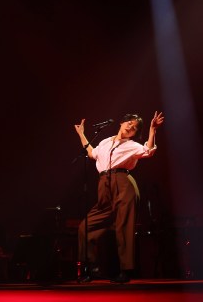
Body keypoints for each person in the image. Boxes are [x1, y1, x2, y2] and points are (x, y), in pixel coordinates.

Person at [74, 111, 164, 284]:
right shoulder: (105, 141)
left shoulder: (132, 145)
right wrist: (81, 134)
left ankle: (126, 270)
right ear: (122, 123)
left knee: (124, 226)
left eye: (135, 127)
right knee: (85, 227)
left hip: (123, 182)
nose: (131, 126)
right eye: (129, 122)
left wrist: (153, 130)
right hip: (104, 184)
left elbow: (148, 151)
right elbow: (92, 154)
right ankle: (92, 267)